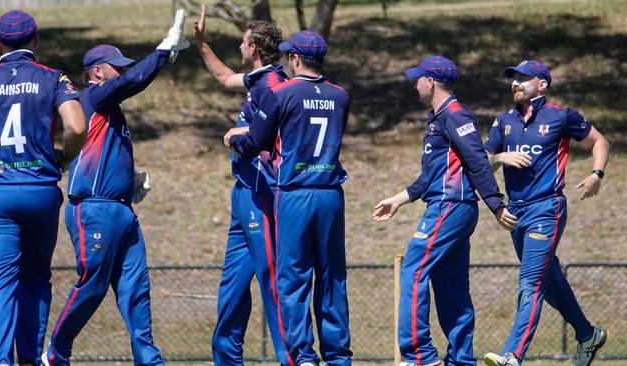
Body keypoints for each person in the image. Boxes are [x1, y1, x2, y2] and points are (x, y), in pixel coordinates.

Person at [41, 10, 190, 366]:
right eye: (115, 66)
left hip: (121, 211)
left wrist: (128, 180)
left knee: (137, 291)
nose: (121, 71)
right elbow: (132, 82)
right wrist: (165, 50)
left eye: (122, 66)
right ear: (96, 73)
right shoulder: (92, 97)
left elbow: (104, 150)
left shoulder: (112, 110)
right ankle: (55, 352)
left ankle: (149, 361)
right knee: (92, 284)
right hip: (93, 209)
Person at [372, 55, 515, 366]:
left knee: (413, 270)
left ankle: (419, 355)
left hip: (450, 207)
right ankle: (462, 360)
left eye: (418, 78)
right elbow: (431, 175)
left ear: (431, 82)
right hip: (449, 206)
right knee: (451, 287)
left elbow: (478, 160)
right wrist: (397, 199)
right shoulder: (438, 119)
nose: (414, 83)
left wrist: (495, 204)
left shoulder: (455, 115)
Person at [228, 30, 352, 366]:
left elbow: (257, 142)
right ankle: (339, 357)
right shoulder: (340, 95)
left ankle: (304, 356)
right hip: (330, 194)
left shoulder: (281, 93)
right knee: (332, 277)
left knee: (293, 278)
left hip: (295, 193)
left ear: (295, 59)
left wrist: (233, 139)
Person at [0, 9, 87, 366]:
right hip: (40, 190)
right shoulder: (52, 78)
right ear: (35, 40)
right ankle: (29, 358)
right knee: (36, 277)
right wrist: (64, 160)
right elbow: (76, 126)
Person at [482, 60, 609, 366]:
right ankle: (587, 334)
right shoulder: (503, 122)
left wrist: (596, 175)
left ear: (542, 84)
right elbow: (482, 164)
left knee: (529, 282)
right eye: (513, 79)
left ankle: (513, 355)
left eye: (523, 78)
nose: (515, 83)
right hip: (514, 212)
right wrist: (500, 157)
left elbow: (600, 141)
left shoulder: (560, 116)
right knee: (549, 281)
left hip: (546, 208)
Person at [191, 5, 292, 365]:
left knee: (270, 277)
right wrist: (201, 44)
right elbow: (223, 78)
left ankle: (291, 356)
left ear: (254, 48)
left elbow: (281, 132)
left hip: (262, 192)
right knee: (232, 287)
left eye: (242, 42)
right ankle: (226, 358)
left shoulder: (274, 85)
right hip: (242, 192)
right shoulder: (259, 79)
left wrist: (242, 132)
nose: (239, 47)